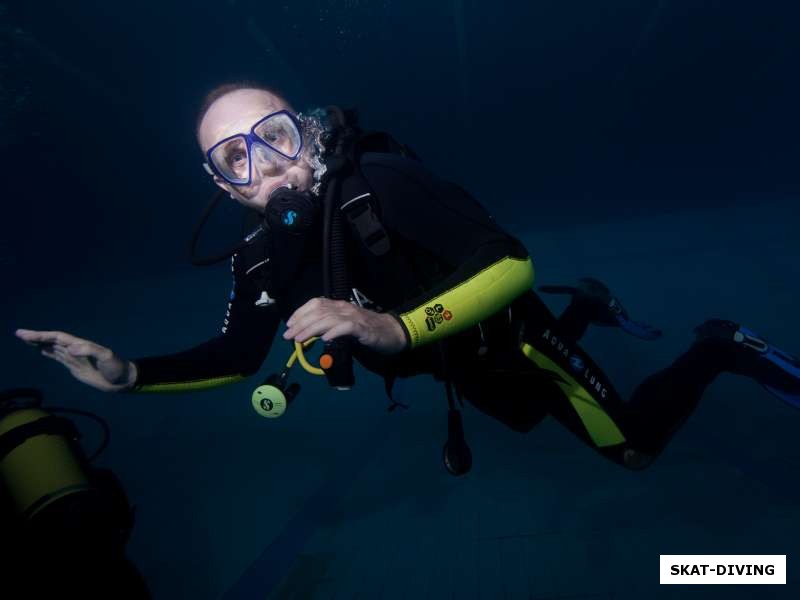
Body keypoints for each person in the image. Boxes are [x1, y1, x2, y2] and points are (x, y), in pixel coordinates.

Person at [15, 84, 800, 471]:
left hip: (510, 337)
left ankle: (723, 347)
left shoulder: (379, 185)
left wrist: (391, 329)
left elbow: (514, 263)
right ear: (223, 185)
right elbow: (236, 357)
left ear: (309, 133)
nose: (266, 165)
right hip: (455, 364)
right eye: (234, 157)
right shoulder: (257, 259)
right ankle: (591, 306)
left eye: (276, 135)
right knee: (528, 424)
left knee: (629, 449)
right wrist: (129, 375)